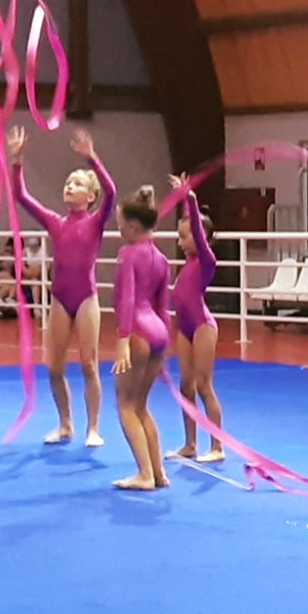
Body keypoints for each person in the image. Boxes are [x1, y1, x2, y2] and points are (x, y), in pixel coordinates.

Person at [9, 126, 114, 447]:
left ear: (90, 197)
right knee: (53, 367)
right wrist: (17, 160)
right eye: (68, 182)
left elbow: (111, 192)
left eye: (77, 184)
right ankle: (65, 424)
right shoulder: (55, 222)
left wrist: (93, 158)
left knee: (89, 364)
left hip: (85, 298)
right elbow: (21, 197)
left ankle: (93, 428)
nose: (70, 186)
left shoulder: (95, 221)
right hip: (60, 299)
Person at [109, 185, 172, 491]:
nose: (118, 228)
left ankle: (144, 474)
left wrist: (123, 340)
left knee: (125, 405)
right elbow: (163, 307)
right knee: (141, 406)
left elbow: (127, 299)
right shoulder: (161, 259)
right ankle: (158, 473)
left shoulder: (127, 254)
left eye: (120, 223)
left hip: (137, 330)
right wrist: (165, 349)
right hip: (158, 331)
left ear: (133, 226)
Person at [168, 177, 223, 464]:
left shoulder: (206, 260)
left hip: (202, 326)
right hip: (184, 328)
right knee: (185, 387)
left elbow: (199, 235)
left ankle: (217, 446)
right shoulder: (188, 264)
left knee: (204, 386)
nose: (180, 242)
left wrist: (189, 198)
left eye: (184, 237)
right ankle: (190, 443)